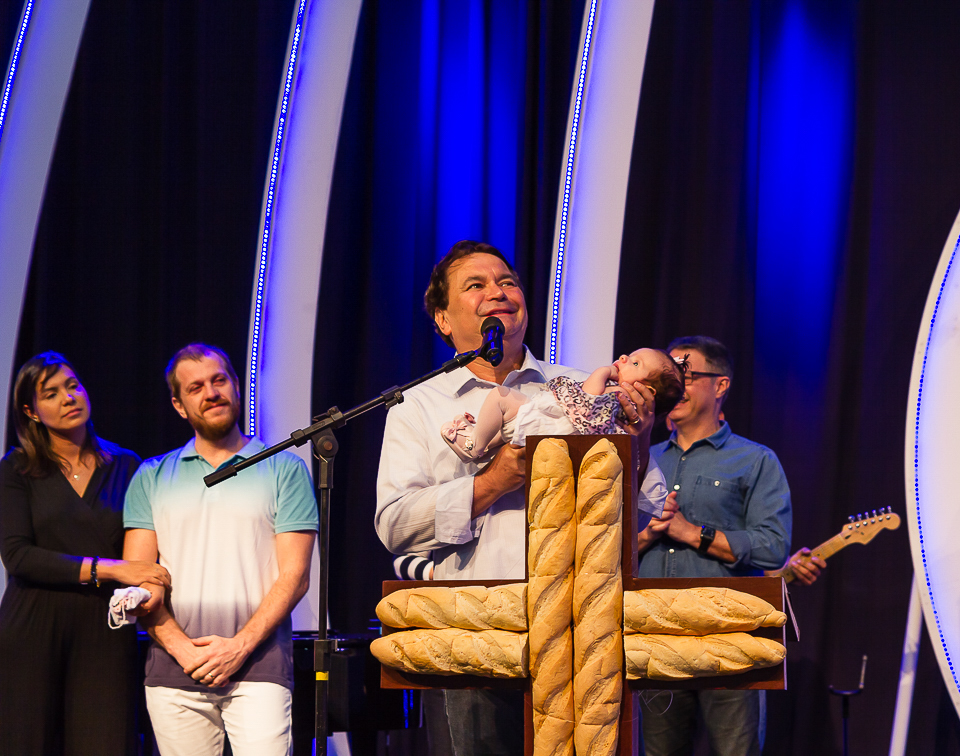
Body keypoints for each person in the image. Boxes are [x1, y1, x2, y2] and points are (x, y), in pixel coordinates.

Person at [376, 240, 669, 755]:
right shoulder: (415, 406)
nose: (499, 292)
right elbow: (396, 523)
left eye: (508, 282)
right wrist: (493, 482)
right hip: (472, 635)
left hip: (583, 636)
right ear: (443, 319)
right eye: (477, 286)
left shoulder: (580, 388)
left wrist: (641, 437)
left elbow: (645, 505)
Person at [122, 344, 318, 756]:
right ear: (179, 404)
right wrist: (181, 649)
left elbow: (295, 576)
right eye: (196, 387)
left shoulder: (284, 467)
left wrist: (238, 647)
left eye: (219, 380)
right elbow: (138, 577)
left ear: (236, 385)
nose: (211, 392)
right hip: (174, 672)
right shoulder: (151, 476)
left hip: (259, 668)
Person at [0, 351, 171, 755]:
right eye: (51, 393)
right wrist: (111, 569)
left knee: (106, 742)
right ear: (31, 411)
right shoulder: (16, 468)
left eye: (73, 386)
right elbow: (18, 556)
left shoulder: (127, 465)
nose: (68, 397)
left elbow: (145, 547)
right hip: (32, 627)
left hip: (104, 630)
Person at [637, 335, 792, 756]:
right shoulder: (640, 458)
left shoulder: (756, 460)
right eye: (665, 374)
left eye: (684, 375)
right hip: (654, 641)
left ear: (720, 386)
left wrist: (694, 533)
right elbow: (603, 554)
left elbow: (773, 547)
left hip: (728, 643)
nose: (670, 384)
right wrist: (648, 534)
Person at [440, 348, 685, 461]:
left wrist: (603, 372)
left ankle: (474, 445)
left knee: (500, 398)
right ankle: (477, 442)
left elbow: (584, 403)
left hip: (552, 424)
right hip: (551, 424)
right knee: (504, 422)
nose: (623, 358)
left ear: (647, 391)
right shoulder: (616, 398)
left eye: (635, 363)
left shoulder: (616, 398)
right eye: (630, 356)